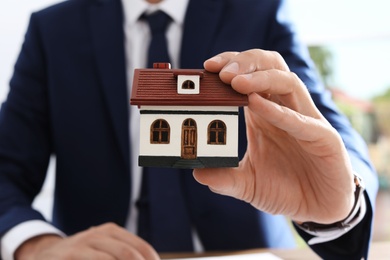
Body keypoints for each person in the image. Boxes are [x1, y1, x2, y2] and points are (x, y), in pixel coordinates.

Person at [0, 0, 378, 259]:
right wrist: (37, 244)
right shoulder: (52, 30)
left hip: (247, 253)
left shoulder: (261, 11)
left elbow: (327, 131)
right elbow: (5, 171)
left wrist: (343, 202)